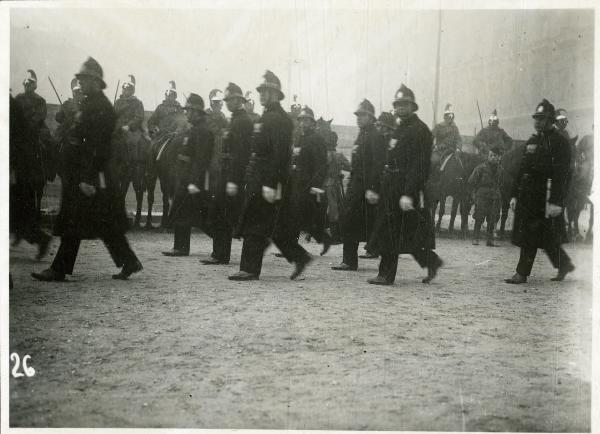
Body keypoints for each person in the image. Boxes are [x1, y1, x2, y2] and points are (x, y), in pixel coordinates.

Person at [32, 57, 142, 281]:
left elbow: (99, 148)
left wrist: (89, 179)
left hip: (90, 176)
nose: (80, 83)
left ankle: (58, 269)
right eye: (79, 79)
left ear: (95, 81)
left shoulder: (101, 108)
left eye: (84, 79)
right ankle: (129, 261)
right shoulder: (90, 103)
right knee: (106, 224)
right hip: (84, 175)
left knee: (75, 221)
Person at [229, 70, 312, 281]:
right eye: (261, 91)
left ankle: (249, 269)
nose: (262, 94)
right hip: (259, 176)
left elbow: (279, 154)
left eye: (267, 91)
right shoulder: (267, 116)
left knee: (255, 223)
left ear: (276, 94)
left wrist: (269, 183)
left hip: (268, 179)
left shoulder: (280, 119)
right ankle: (300, 257)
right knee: (272, 226)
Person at [366, 84, 443, 285]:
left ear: (413, 106)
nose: (401, 108)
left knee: (392, 232)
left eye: (405, 104)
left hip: (405, 187)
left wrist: (408, 193)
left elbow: (419, 165)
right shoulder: (400, 128)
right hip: (391, 186)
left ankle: (386, 275)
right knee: (406, 233)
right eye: (398, 104)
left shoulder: (421, 130)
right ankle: (431, 262)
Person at [504, 99, 575, 284]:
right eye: (536, 118)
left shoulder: (560, 142)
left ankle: (521, 273)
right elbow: (522, 169)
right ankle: (564, 264)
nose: (537, 121)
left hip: (545, 198)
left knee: (530, 235)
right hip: (528, 196)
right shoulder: (533, 140)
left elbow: (562, 174)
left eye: (542, 118)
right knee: (545, 237)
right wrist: (514, 194)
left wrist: (557, 201)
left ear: (551, 120)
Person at [331, 99, 386, 271]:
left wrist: (371, 188)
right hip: (355, 186)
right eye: (358, 115)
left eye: (363, 115)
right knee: (350, 222)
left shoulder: (375, 136)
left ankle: (353, 260)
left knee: (362, 223)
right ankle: (349, 260)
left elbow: (377, 165)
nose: (358, 118)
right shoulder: (362, 134)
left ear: (371, 117)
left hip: (364, 188)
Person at [201, 83, 253, 265]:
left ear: (239, 100)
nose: (228, 103)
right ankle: (219, 253)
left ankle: (220, 254)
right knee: (220, 214)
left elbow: (241, 154)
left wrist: (233, 180)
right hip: (227, 172)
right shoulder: (235, 119)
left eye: (231, 100)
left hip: (232, 175)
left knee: (222, 215)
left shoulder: (243, 121)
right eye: (227, 100)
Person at [161, 94, 215, 256]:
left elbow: (201, 160)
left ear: (198, 113)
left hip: (193, 180)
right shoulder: (193, 130)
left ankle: (222, 243)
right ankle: (180, 246)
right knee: (181, 211)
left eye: (190, 111)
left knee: (202, 218)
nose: (187, 114)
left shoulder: (203, 131)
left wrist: (193, 181)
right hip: (185, 178)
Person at [10, 92, 51, 259]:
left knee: (18, 210)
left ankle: (40, 238)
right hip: (16, 163)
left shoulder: (11, 104)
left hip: (17, 164)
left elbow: (16, 136)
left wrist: (12, 167)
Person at [290, 105, 331, 254]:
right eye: (301, 121)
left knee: (303, 216)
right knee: (297, 215)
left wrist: (316, 185)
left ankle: (324, 239)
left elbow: (321, 165)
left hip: (309, 185)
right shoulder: (301, 138)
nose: (302, 124)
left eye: (306, 121)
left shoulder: (317, 139)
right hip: (298, 183)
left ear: (313, 123)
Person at [112, 74, 146, 207]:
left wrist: (129, 126)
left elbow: (139, 117)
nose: (126, 90)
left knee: (133, 143)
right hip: (117, 129)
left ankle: (130, 166)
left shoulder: (137, 103)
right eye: (124, 88)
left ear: (132, 90)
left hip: (130, 130)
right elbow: (113, 115)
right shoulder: (118, 102)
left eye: (129, 88)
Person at [468, 146, 505, 246]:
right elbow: (471, 181)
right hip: (482, 196)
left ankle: (490, 240)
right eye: (491, 155)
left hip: (495, 197)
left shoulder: (501, 170)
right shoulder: (480, 168)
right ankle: (475, 238)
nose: (493, 157)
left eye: (495, 156)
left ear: (499, 157)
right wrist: (475, 194)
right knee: (479, 217)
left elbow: (501, 183)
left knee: (492, 218)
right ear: (488, 157)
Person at [54, 78, 84, 178]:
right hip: (67, 135)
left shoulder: (86, 106)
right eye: (75, 92)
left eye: (79, 92)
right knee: (55, 144)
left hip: (81, 137)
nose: (77, 94)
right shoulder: (66, 104)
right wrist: (61, 114)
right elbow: (58, 118)